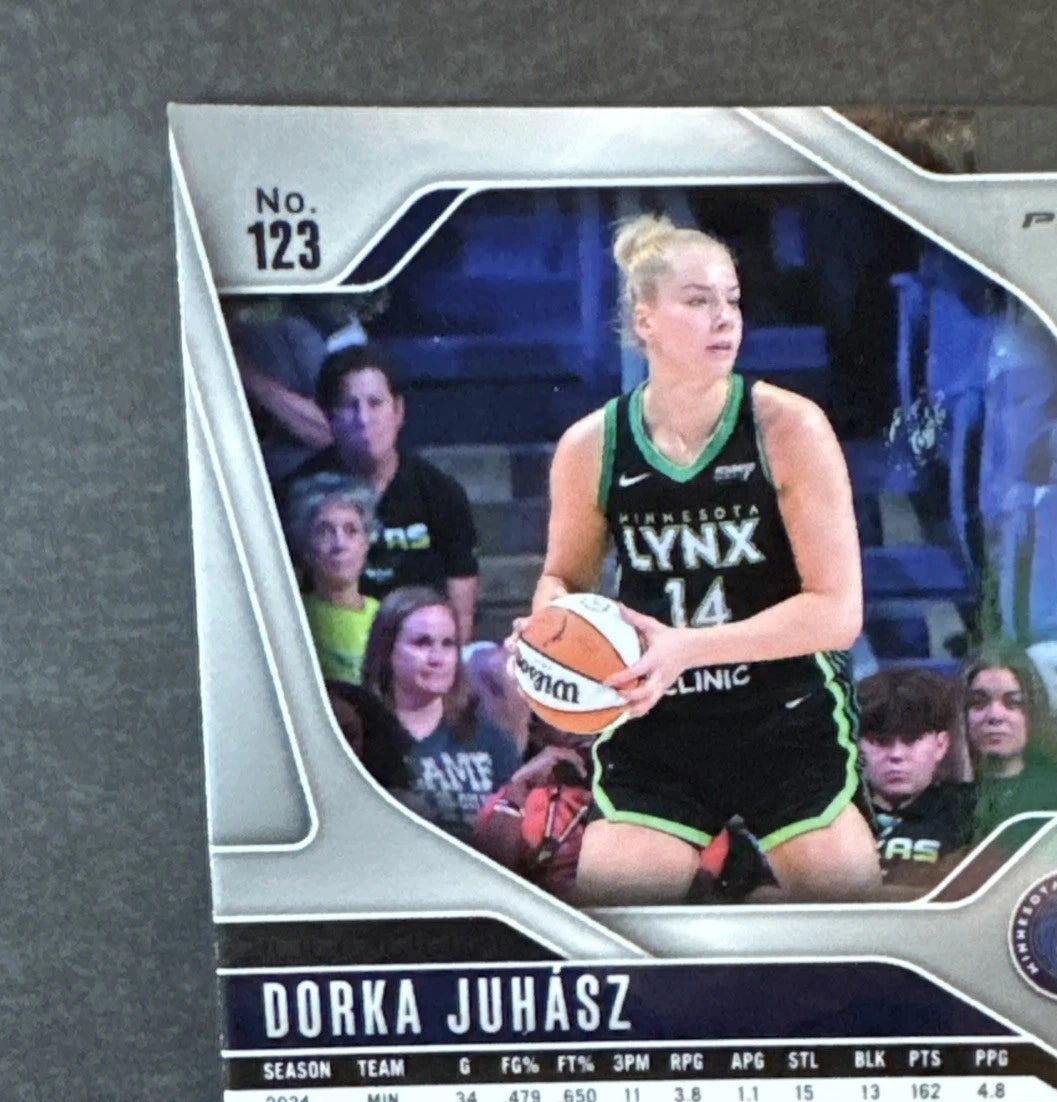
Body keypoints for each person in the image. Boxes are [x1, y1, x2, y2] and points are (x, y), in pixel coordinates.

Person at [522, 214, 880, 904]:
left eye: (732, 300)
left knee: (853, 925)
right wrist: (548, 630)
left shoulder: (789, 426)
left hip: (784, 712)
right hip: (657, 724)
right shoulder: (592, 446)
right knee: (617, 929)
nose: (724, 318)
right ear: (645, 319)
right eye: (698, 300)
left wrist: (685, 649)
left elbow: (837, 613)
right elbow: (563, 578)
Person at [286, 345, 480, 642]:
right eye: (350, 406)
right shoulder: (300, 493)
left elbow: (461, 603)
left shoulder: (441, 493)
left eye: (375, 403)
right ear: (329, 416)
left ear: (398, 411)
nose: (364, 419)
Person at [360, 587, 522, 837]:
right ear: (386, 650)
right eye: (422, 643)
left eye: (448, 644)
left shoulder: (493, 740)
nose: (438, 658)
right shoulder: (360, 736)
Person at [963, 646, 1057, 840]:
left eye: (1013, 702)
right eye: (979, 702)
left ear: (1034, 711)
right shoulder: (942, 800)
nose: (994, 716)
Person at [857, 667, 974, 890]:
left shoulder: (971, 811)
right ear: (858, 746)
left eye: (911, 740)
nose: (896, 755)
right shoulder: (833, 816)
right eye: (881, 741)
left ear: (941, 745)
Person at [286, 472, 380, 685]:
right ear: (305, 544)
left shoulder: (385, 617)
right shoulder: (293, 617)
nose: (340, 544)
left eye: (351, 530)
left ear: (367, 541)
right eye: (325, 531)